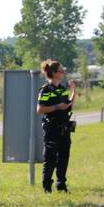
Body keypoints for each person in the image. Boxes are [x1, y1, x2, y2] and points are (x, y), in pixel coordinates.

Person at [36, 59, 75, 193]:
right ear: (53, 73)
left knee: (64, 157)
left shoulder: (62, 89)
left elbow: (68, 105)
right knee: (51, 158)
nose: (63, 72)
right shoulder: (46, 89)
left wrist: (73, 91)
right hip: (52, 128)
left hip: (64, 128)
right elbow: (40, 109)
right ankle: (47, 186)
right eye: (61, 70)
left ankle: (61, 185)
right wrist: (57, 106)